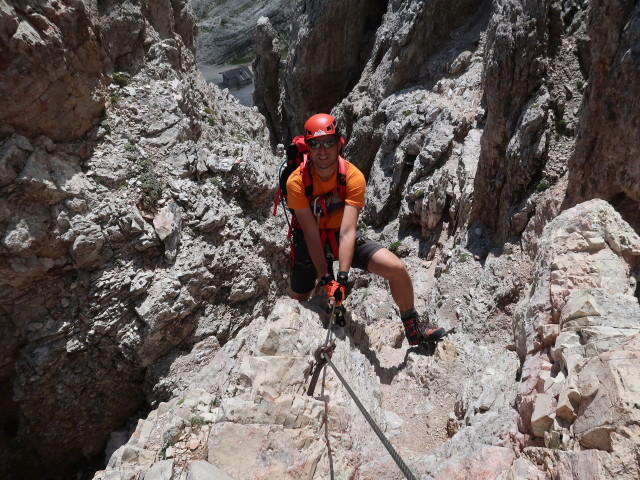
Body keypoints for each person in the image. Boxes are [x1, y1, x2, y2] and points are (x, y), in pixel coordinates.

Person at [285, 113, 445, 345]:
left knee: (397, 269)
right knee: (299, 299)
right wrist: (326, 279)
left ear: (339, 143)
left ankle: (413, 327)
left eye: (328, 142)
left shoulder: (352, 177)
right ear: (308, 148)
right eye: (315, 144)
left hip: (342, 236)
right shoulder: (297, 182)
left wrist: (342, 277)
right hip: (310, 240)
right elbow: (310, 233)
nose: (322, 150)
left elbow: (348, 231)